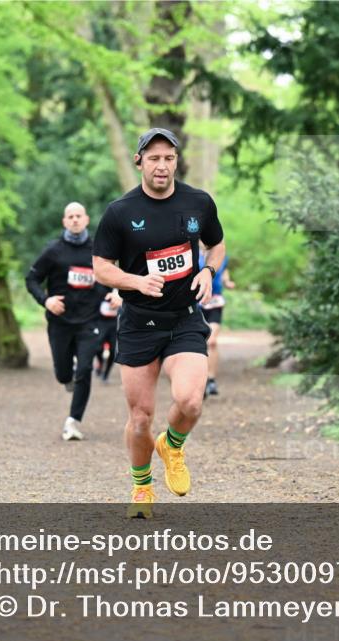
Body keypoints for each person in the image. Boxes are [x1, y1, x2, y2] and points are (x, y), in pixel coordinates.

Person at [92, 127, 226, 519]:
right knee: (139, 419)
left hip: (184, 319)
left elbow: (215, 243)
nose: (162, 166)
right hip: (138, 323)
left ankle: (172, 444)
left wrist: (208, 271)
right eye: (154, 158)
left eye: (168, 158)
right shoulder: (120, 212)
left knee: (189, 401)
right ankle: (141, 487)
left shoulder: (198, 202)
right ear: (139, 162)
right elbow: (101, 268)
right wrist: (135, 281)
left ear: (176, 161)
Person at [26, 202, 122, 441]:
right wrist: (46, 301)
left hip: (90, 320)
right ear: (64, 222)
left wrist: (117, 293)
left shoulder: (97, 251)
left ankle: (73, 421)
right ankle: (67, 379)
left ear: (87, 220)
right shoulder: (53, 251)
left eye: (79, 216)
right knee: (63, 373)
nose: (75, 220)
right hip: (60, 321)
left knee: (86, 369)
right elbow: (32, 279)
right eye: (71, 216)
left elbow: (115, 276)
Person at [198, 247, 235, 398]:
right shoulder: (191, 253)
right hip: (196, 303)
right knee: (199, 342)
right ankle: (199, 381)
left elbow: (224, 271)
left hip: (215, 302)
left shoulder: (221, 254)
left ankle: (211, 379)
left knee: (211, 342)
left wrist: (227, 281)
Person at [94, 292, 120, 384]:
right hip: (101, 323)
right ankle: (100, 364)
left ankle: (106, 375)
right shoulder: (101, 287)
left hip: (115, 324)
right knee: (97, 348)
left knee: (113, 352)